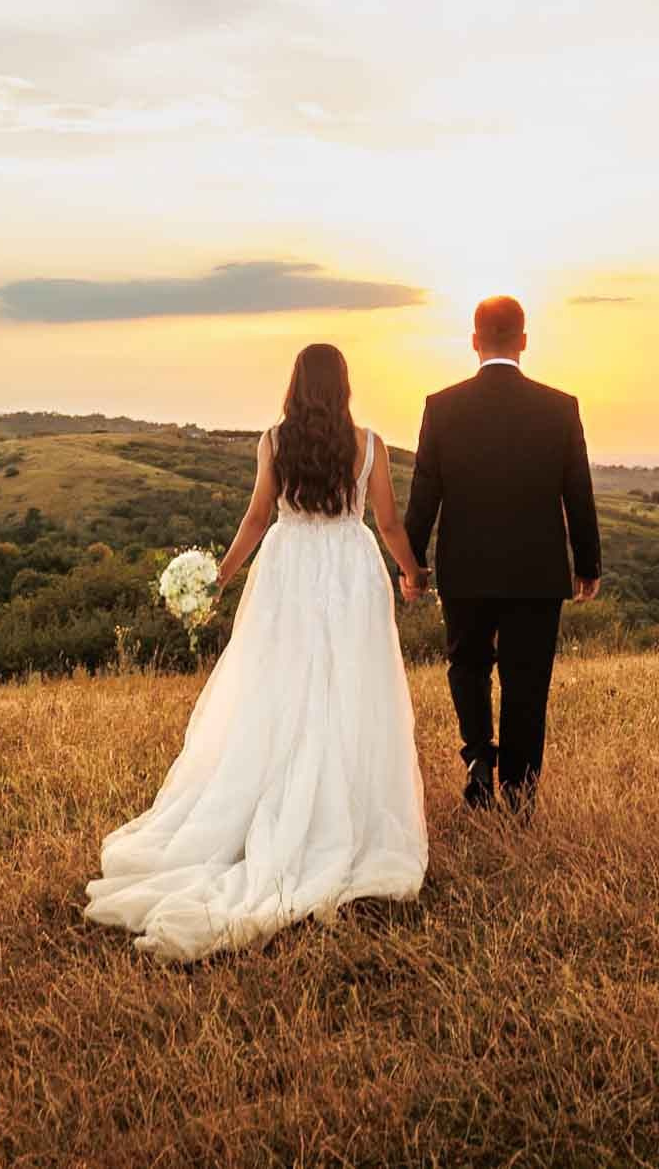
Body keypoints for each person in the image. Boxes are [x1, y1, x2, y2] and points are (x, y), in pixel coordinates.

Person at [83, 343, 427, 960]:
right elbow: (389, 524)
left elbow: (256, 517)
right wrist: (413, 573)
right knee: (349, 687)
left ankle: (276, 800)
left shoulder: (273, 441)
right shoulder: (368, 444)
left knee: (279, 684)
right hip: (349, 573)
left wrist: (221, 577)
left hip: (288, 570)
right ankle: (338, 812)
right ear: (344, 384)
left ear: (296, 384)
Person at [405, 295, 601, 813]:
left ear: (474, 342)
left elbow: (425, 491)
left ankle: (477, 760)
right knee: (527, 680)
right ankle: (518, 794)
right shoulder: (560, 407)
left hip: (465, 567)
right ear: (523, 341)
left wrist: (413, 563)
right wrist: (588, 564)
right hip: (537, 570)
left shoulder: (441, 407)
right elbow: (577, 492)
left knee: (466, 665)